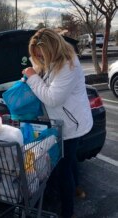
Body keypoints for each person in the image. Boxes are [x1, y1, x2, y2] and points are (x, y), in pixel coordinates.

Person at [22, 28, 93, 218]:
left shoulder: (69, 65)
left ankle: (67, 212)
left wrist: (32, 77)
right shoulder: (51, 60)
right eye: (36, 55)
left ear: (52, 51)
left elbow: (53, 98)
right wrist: (33, 71)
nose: (39, 59)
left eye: (41, 55)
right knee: (69, 161)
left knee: (63, 168)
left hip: (72, 124)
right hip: (61, 121)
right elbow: (42, 75)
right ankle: (77, 188)